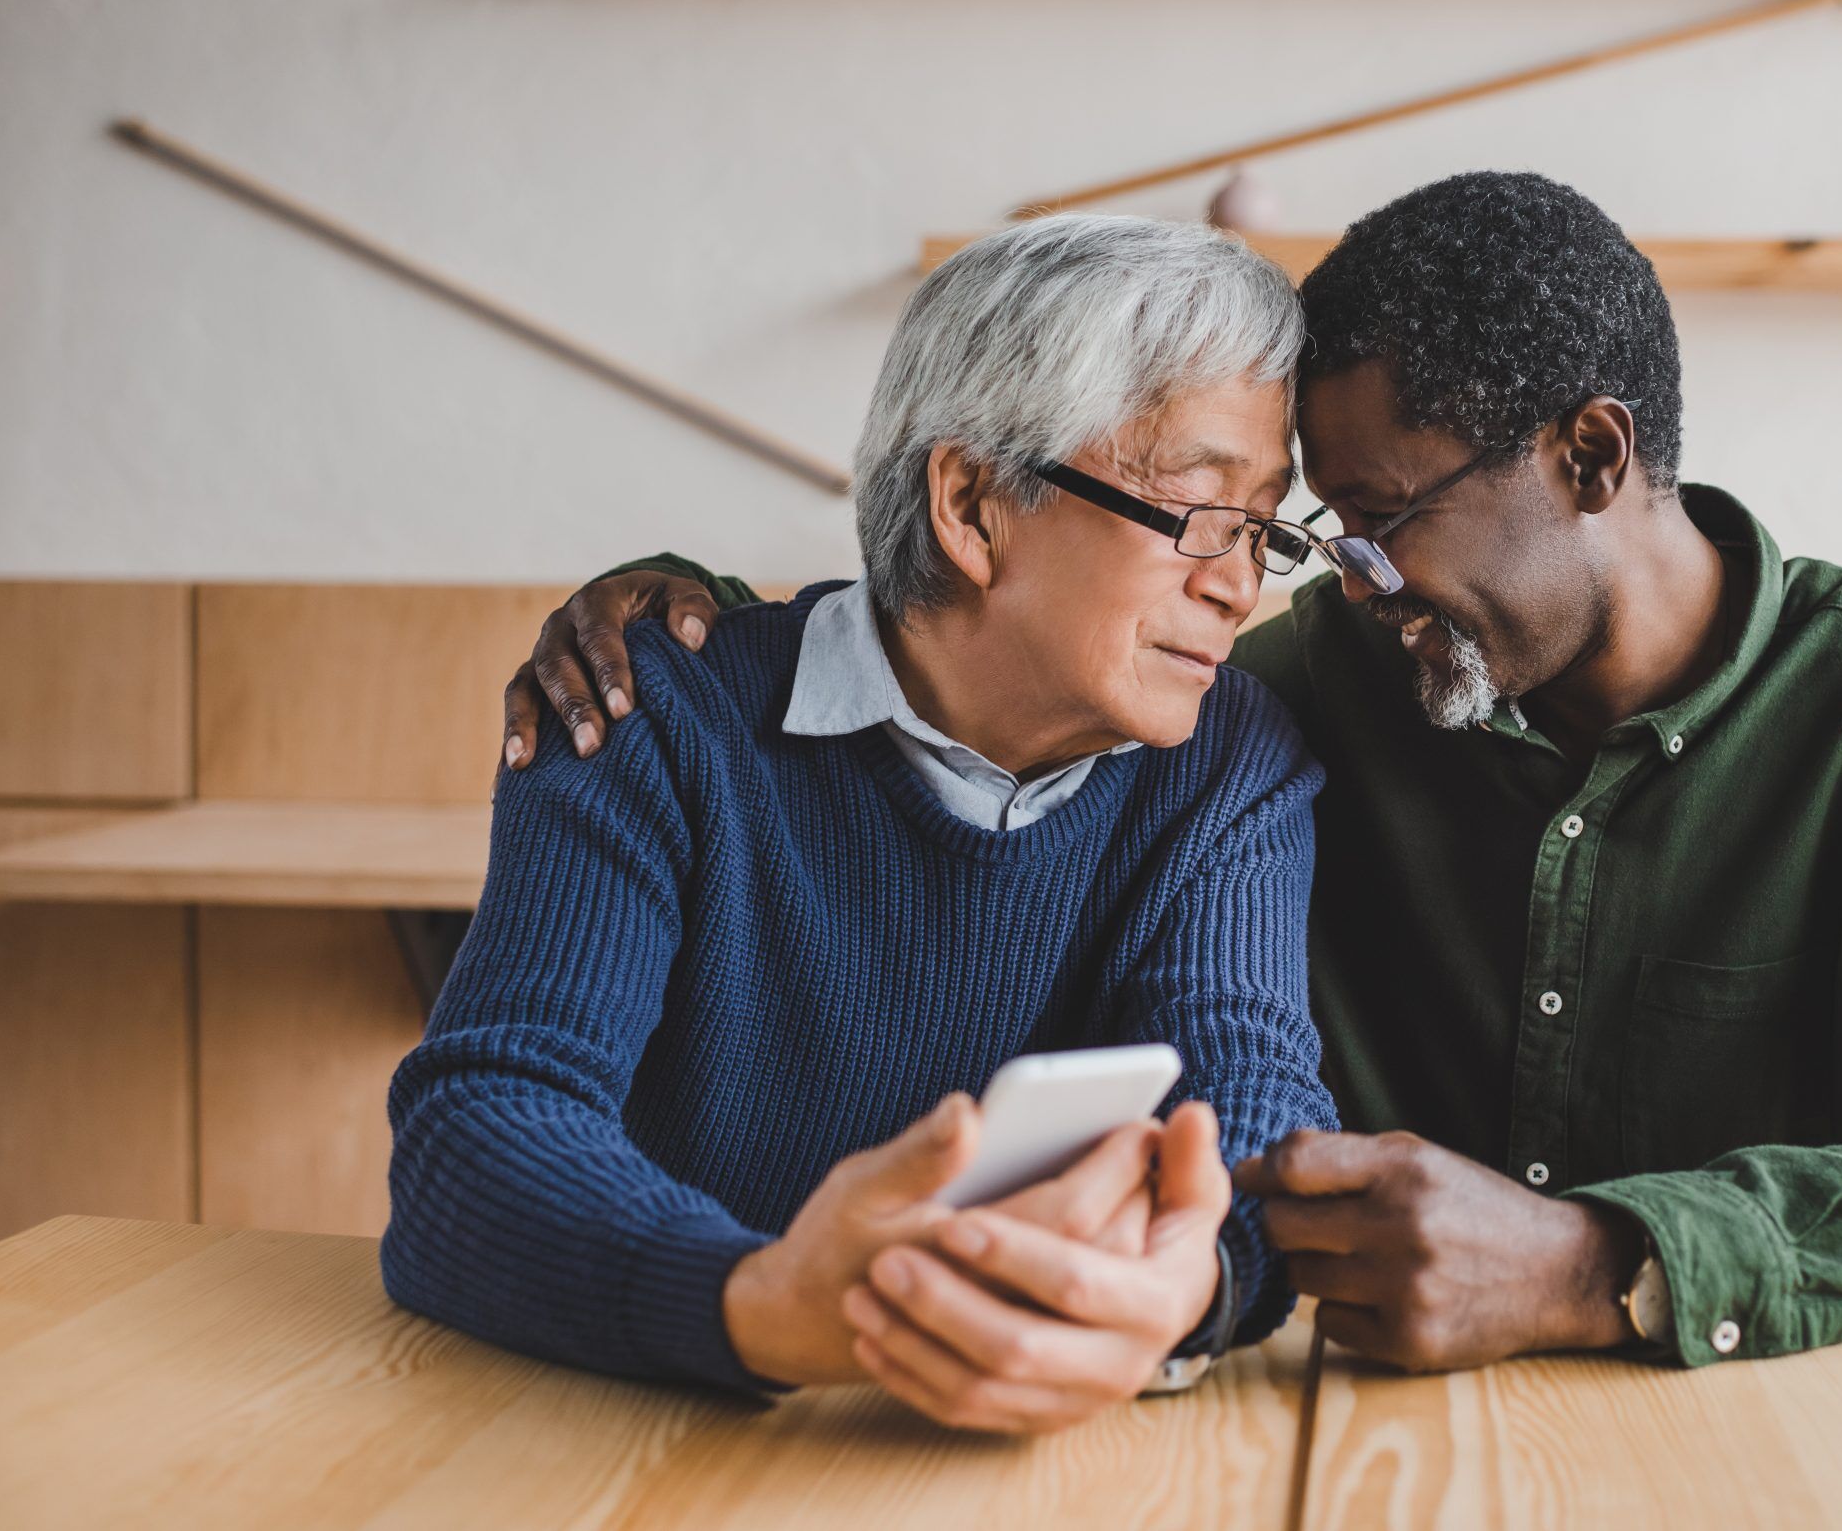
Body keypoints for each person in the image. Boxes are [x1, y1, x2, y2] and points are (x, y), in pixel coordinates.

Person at [501, 171, 1842, 1387]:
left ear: (1592, 458)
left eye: (1363, 523)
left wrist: (1605, 1257)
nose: (1313, 581)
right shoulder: (1287, 688)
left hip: (1761, 1428)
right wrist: (669, 612)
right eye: (1302, 529)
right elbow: (947, 626)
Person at [384, 213, 1338, 1433]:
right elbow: (480, 1129)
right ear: (972, 503)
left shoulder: (1228, 762)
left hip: (1034, 1450)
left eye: (1261, 526)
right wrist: (763, 1301)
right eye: (1199, 511)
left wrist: (1187, 1287)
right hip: (651, 1432)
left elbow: (1256, 1109)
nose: (1237, 582)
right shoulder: (653, 713)